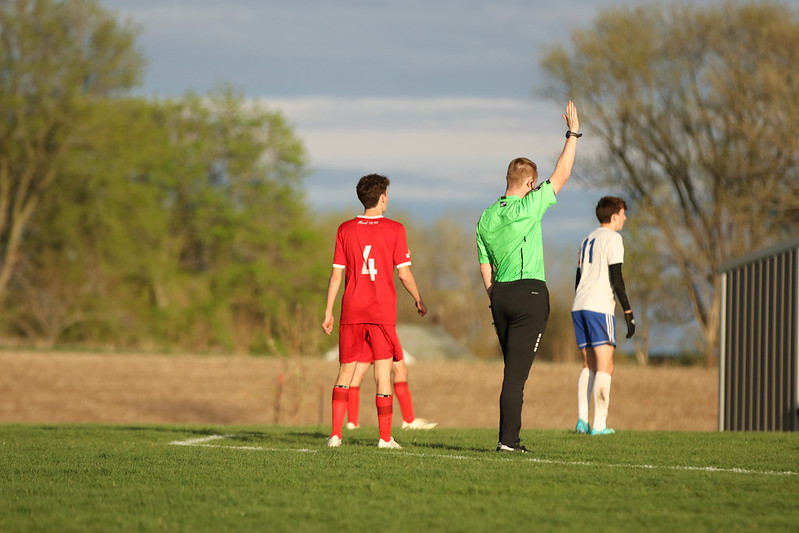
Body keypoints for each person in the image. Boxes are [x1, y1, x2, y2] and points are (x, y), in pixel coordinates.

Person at [476, 101, 581, 453]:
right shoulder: (529, 206)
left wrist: (495, 297)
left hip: (500, 296)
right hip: (529, 296)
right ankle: (508, 441)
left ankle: (510, 438)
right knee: (515, 376)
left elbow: (484, 267)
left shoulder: (486, 217)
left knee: (513, 372)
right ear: (531, 183)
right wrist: (573, 134)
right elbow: (563, 173)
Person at [322, 173, 428, 449]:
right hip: (381, 312)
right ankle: (384, 438)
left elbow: (336, 275)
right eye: (387, 195)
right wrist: (419, 299)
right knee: (383, 374)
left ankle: (335, 435)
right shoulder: (395, 229)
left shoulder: (345, 229)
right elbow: (404, 274)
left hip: (351, 311)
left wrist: (328, 311)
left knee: (345, 372)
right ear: (382, 197)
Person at [572, 196, 635, 436]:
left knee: (588, 364)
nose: (625, 218)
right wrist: (628, 311)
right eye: (623, 214)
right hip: (599, 305)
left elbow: (578, 278)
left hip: (579, 304)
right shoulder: (613, 239)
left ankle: (581, 421)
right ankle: (599, 424)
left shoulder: (586, 239)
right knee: (605, 365)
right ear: (614, 216)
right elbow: (616, 278)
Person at [344, 357, 437, 431]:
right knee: (399, 368)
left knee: (359, 371)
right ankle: (409, 420)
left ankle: (352, 423)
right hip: (382, 338)